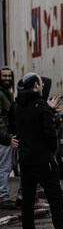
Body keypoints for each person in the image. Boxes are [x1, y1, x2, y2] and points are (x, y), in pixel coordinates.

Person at [14, 72, 63, 229]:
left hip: (25, 160)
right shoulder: (41, 106)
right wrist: (51, 151)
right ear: (36, 86)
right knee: (55, 199)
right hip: (44, 160)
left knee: (27, 201)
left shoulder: (17, 106)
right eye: (40, 83)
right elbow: (49, 133)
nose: (42, 86)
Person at [0, 66, 15, 209]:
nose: (7, 79)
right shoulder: (1, 93)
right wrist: (5, 136)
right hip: (3, 136)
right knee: (4, 167)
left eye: (9, 76)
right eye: (4, 76)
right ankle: (3, 197)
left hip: (5, 135)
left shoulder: (6, 93)